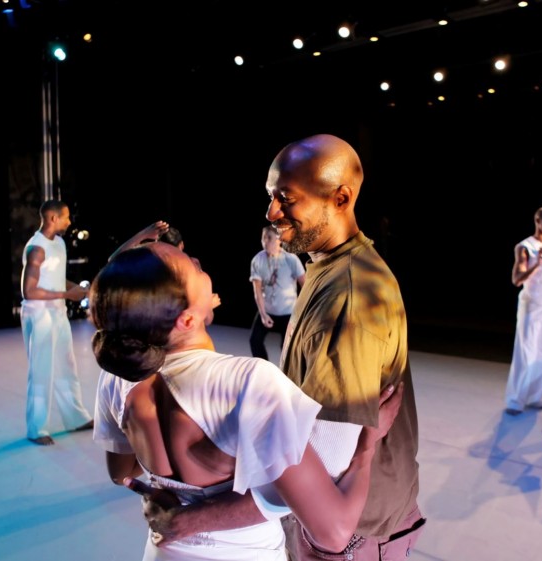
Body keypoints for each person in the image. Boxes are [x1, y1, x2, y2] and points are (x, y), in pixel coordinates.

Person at [132, 133, 426, 560]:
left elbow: (322, 478)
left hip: (355, 535)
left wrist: (189, 520)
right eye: (271, 197)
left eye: (287, 199)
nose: (271, 213)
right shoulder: (327, 267)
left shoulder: (351, 295)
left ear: (340, 198)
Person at [90, 242, 404, 560]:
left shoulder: (118, 377)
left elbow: (121, 472)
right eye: (191, 266)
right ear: (186, 320)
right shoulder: (246, 383)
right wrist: (366, 449)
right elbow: (334, 532)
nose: (197, 259)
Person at [20, 199, 93, 446]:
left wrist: (81, 290)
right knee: (41, 370)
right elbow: (29, 291)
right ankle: (36, 429)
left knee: (66, 365)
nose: (69, 221)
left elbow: (57, 281)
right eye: (66, 217)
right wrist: (66, 295)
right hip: (38, 313)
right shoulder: (36, 249)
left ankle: (76, 417)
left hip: (57, 311)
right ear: (53, 218)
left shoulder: (59, 243)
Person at [504, 206, 542, 416]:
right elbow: (516, 279)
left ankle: (534, 396)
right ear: (538, 221)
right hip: (531, 305)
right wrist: (537, 264)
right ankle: (515, 399)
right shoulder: (525, 247)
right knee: (526, 352)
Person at [249, 226, 305, 361]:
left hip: (288, 312)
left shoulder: (291, 259)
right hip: (268, 310)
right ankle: (264, 370)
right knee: (255, 340)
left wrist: (302, 312)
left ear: (279, 239)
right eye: (263, 238)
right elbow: (257, 290)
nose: (265, 241)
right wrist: (263, 314)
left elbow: (306, 286)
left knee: (286, 348)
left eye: (269, 238)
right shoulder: (258, 260)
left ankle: (287, 376)